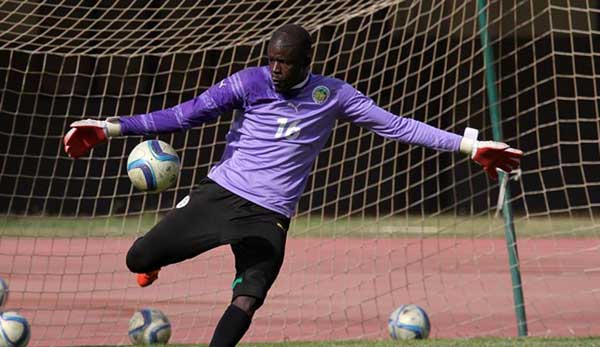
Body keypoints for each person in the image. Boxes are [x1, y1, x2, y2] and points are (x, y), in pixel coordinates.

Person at [63, 24, 522, 347]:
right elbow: (184, 116)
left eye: (285, 63)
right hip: (222, 195)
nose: (276, 69)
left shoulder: (334, 95)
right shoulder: (248, 83)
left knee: (248, 297)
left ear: (306, 62)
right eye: (271, 60)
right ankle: (162, 248)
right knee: (136, 259)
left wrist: (467, 146)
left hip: (270, 216)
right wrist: (110, 128)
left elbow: (396, 126)